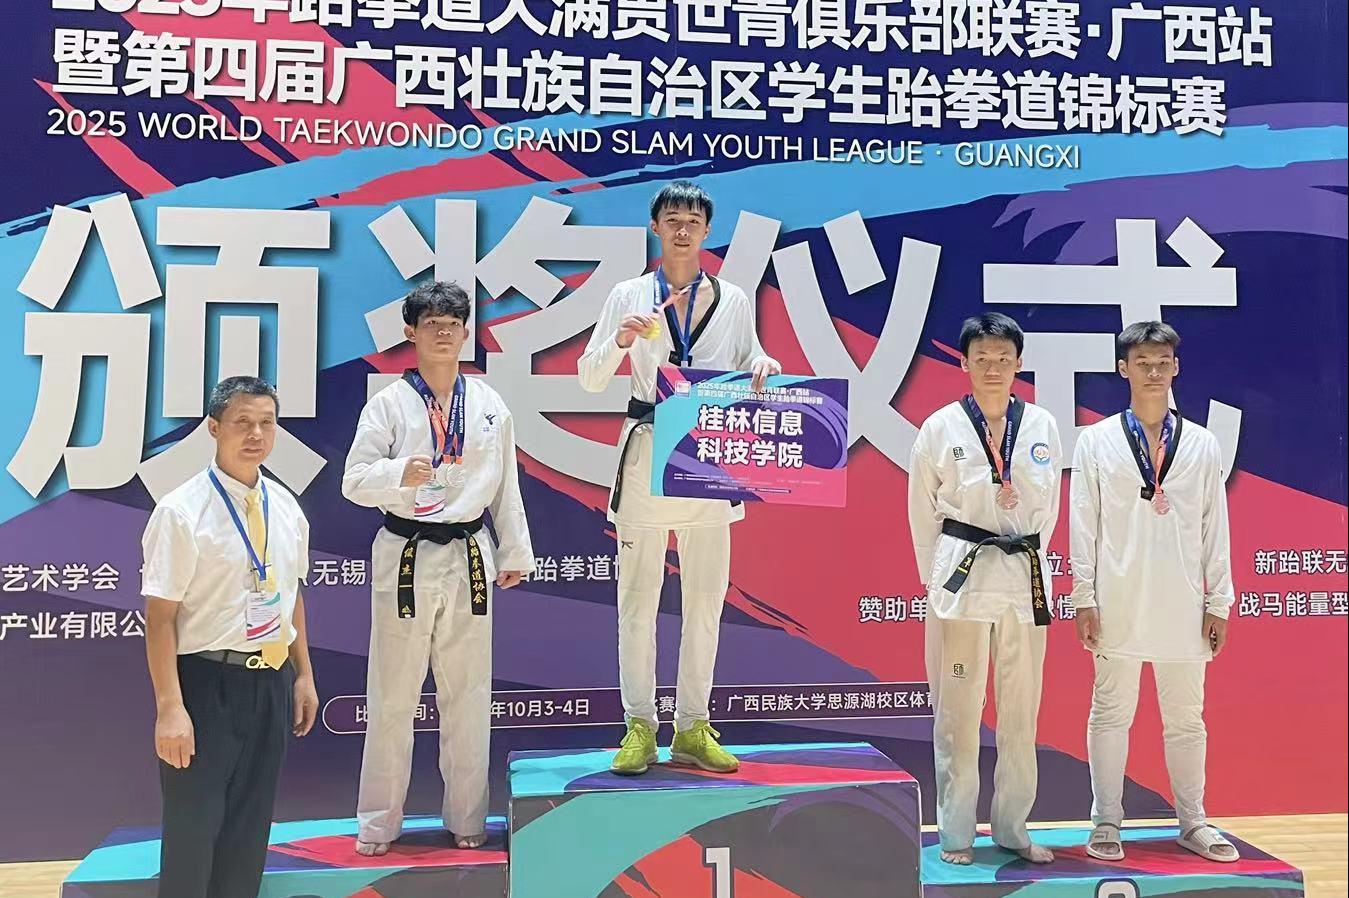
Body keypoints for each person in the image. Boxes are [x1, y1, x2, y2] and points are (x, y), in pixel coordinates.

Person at [578, 180, 781, 775]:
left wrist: (764, 363)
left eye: (693, 220)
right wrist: (621, 339)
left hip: (710, 454)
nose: (683, 229)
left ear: (707, 230)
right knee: (637, 602)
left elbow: (750, 359)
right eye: (673, 219)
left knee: (706, 601)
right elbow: (590, 377)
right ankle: (639, 724)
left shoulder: (732, 298)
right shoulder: (629, 294)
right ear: (655, 227)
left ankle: (693, 725)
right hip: (647, 448)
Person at [343, 280, 533, 856]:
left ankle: (467, 817)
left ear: (466, 332)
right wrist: (398, 474)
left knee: (470, 692)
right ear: (411, 332)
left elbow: (505, 485)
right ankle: (378, 823)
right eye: (432, 325)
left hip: (470, 552)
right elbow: (353, 481)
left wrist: (514, 551)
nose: (444, 334)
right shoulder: (388, 403)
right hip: (405, 551)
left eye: (453, 325)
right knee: (392, 693)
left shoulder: (490, 404)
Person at [142, 376, 319, 898]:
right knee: (193, 834)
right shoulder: (181, 511)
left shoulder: (286, 507)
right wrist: (170, 708)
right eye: (242, 422)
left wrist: (303, 675)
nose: (255, 434)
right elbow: (160, 618)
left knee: (249, 834)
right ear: (214, 428)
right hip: (206, 685)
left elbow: (291, 596)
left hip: (271, 681)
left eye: (267, 423)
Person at [1070, 321, 1238, 863]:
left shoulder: (1203, 444)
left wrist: (1219, 601)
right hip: (1116, 599)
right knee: (1110, 713)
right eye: (1142, 363)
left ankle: (1193, 820)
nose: (1153, 372)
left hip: (1184, 601)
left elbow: (1215, 527)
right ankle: (1105, 821)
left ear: (1176, 368)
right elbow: (1083, 522)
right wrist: (1083, 595)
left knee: (1187, 718)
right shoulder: (1096, 440)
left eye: (1163, 362)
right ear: (1123, 369)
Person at [908, 313, 1062, 866]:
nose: (993, 367)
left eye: (1003, 358)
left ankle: (1013, 828)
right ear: (964, 362)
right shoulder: (940, 427)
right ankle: (955, 833)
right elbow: (921, 510)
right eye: (982, 358)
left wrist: (1032, 557)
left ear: (1018, 363)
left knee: (1021, 711)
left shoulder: (1041, 425)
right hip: (962, 580)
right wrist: (934, 580)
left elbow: (1050, 509)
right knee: (957, 711)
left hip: (1022, 578)